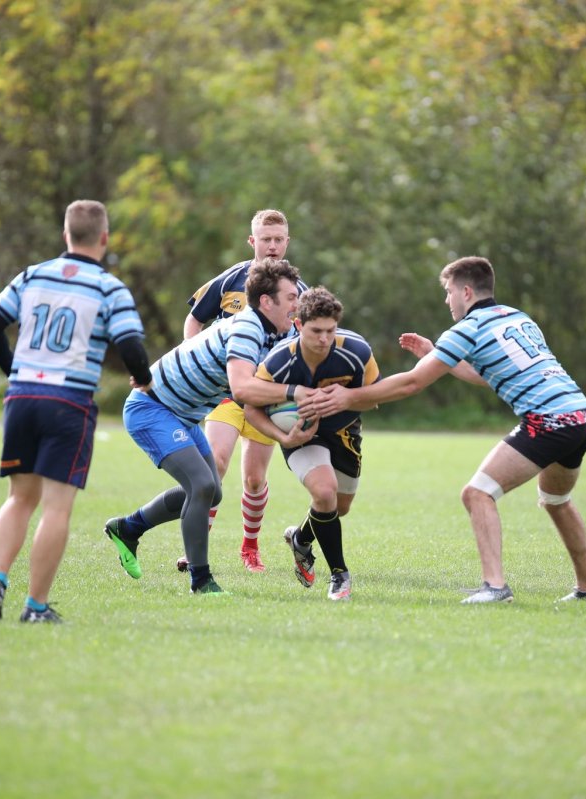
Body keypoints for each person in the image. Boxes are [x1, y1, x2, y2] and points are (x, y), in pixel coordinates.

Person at [304, 256, 586, 605]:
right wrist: (436, 354)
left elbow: (412, 383)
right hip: (581, 416)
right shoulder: (517, 317)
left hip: (548, 421)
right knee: (556, 500)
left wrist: (347, 398)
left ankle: (495, 587)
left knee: (477, 494)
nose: (447, 300)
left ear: (465, 291)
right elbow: (488, 375)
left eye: (448, 292)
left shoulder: (468, 328)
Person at [0, 200, 150, 623]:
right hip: (67, 402)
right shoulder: (109, 288)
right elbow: (129, 346)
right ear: (104, 239)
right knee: (56, 507)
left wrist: (14, 370)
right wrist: (143, 378)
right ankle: (35, 607)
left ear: (65, 235)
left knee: (19, 497)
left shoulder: (33, 275)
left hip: (22, 396)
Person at [103, 258, 316, 594]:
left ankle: (128, 528)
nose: (297, 303)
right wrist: (294, 393)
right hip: (151, 407)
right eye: (290, 297)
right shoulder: (248, 327)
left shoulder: (285, 332)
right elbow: (244, 389)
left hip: (183, 415)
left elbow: (267, 390)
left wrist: (291, 427)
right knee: (202, 486)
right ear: (266, 301)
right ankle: (201, 580)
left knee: (211, 489)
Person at [181, 209, 308, 573]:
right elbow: (194, 317)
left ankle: (249, 548)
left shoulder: (298, 291)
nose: (271, 246)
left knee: (254, 478)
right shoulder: (230, 280)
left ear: (287, 242)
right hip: (223, 390)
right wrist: (194, 357)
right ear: (252, 241)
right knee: (215, 463)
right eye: (265, 239)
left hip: (267, 397)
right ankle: (196, 550)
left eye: (278, 239)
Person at [243, 287, 381, 601]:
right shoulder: (278, 362)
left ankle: (301, 538)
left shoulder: (356, 351)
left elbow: (376, 397)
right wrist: (283, 436)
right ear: (297, 324)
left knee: (338, 508)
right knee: (324, 491)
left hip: (345, 433)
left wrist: (341, 401)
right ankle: (339, 576)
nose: (324, 338)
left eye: (330, 331)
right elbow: (250, 405)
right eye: (316, 330)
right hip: (302, 437)